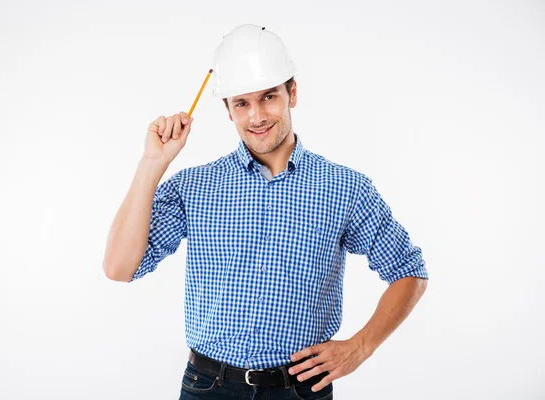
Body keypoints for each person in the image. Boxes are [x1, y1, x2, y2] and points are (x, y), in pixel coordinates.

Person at [103, 24, 429, 400]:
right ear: (228, 111)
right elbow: (119, 268)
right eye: (242, 103)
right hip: (209, 388)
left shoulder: (346, 188)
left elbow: (409, 272)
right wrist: (152, 163)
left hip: (300, 389)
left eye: (268, 97)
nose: (256, 116)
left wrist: (361, 346)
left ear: (292, 93)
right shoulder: (193, 186)